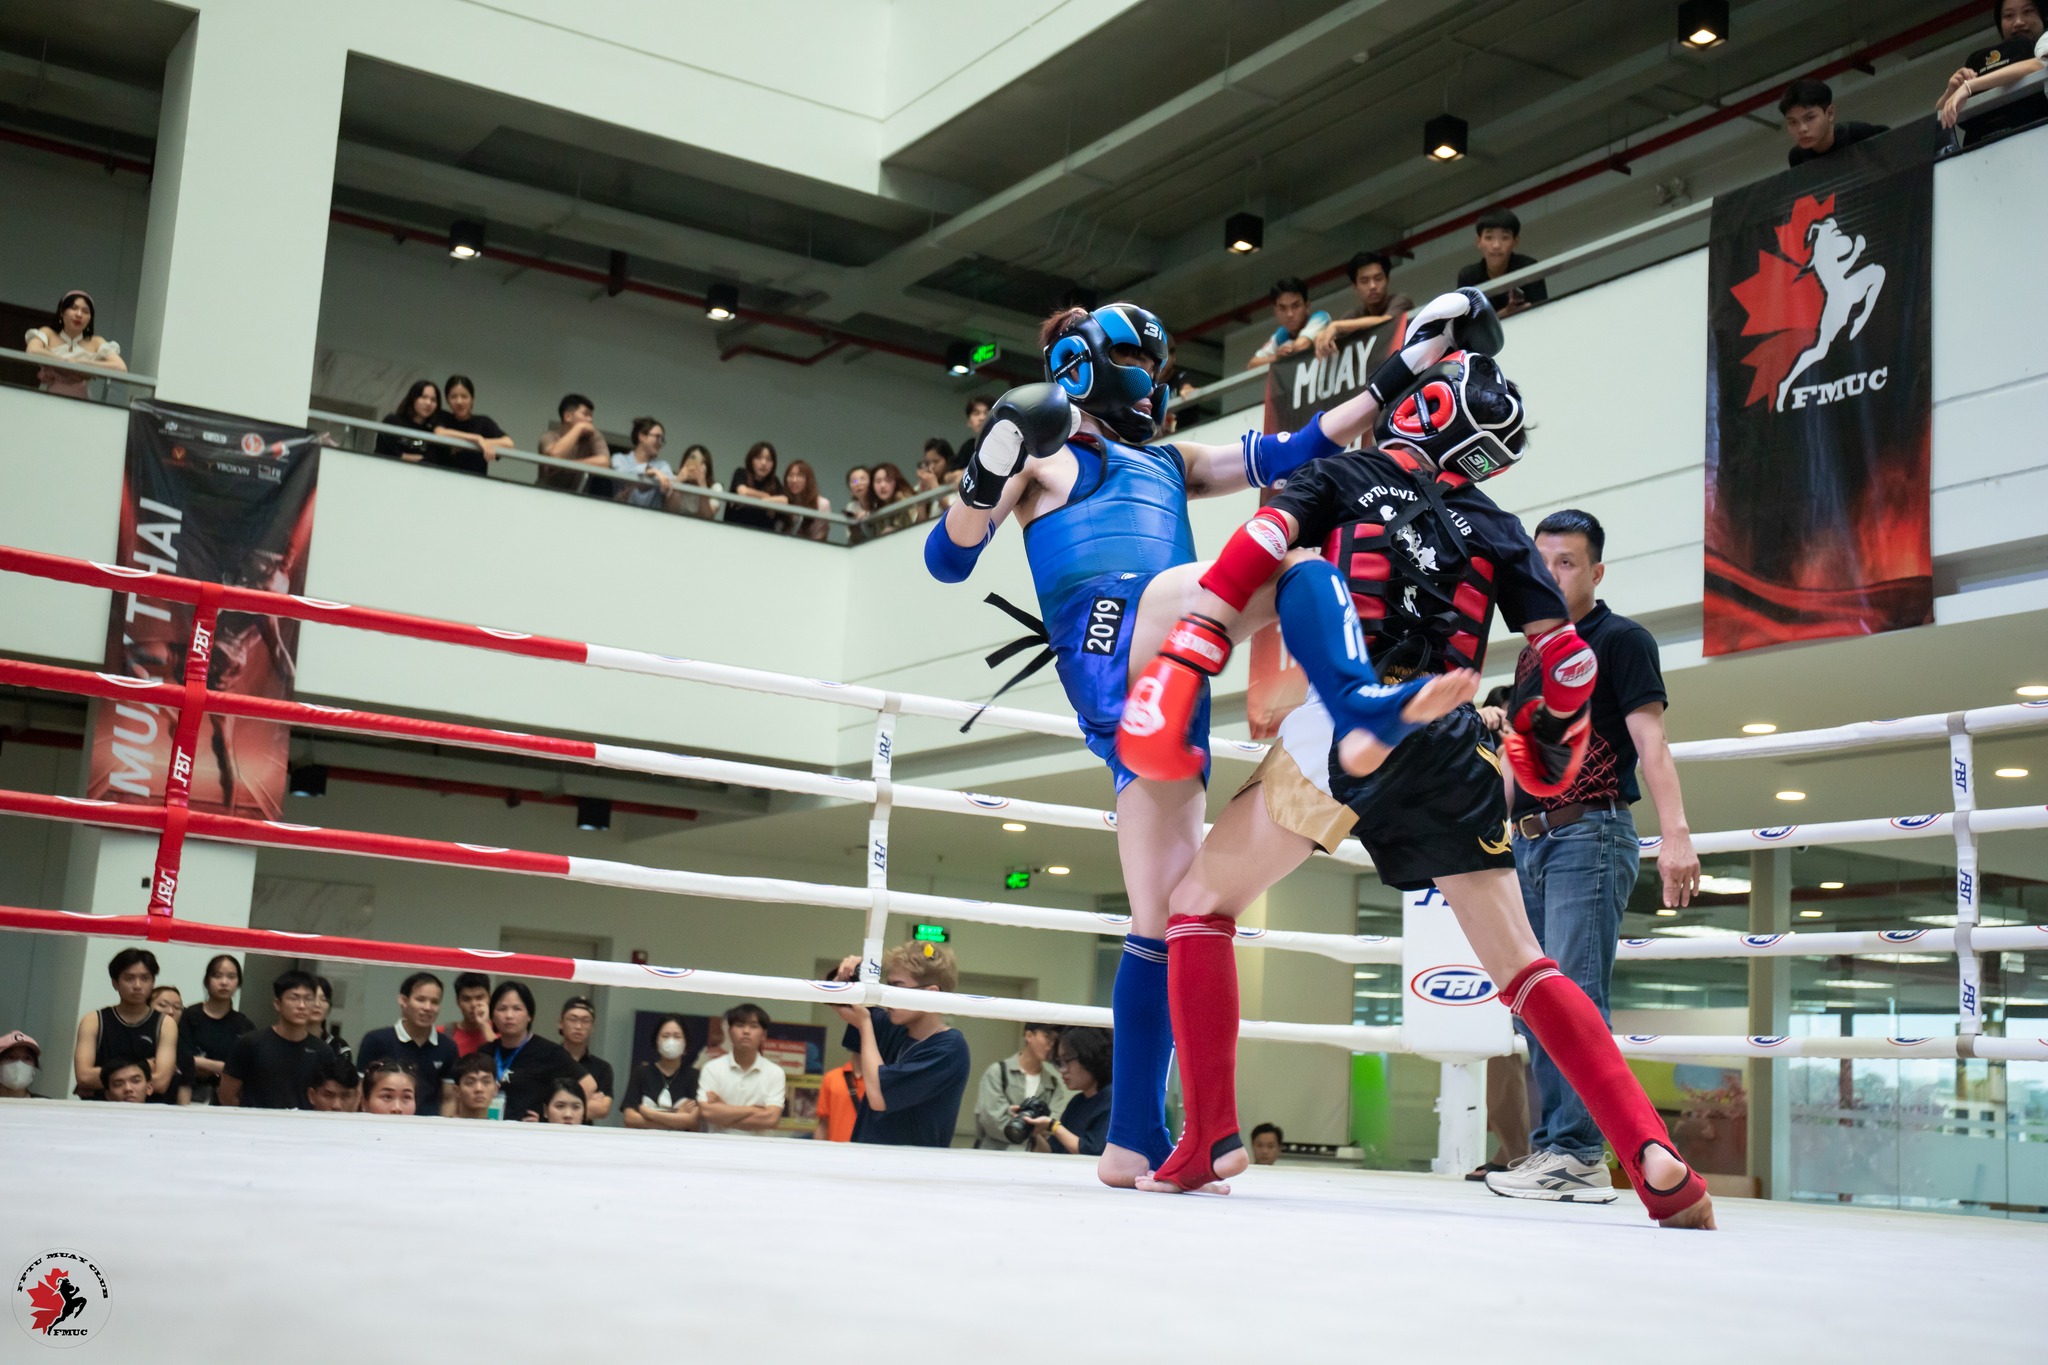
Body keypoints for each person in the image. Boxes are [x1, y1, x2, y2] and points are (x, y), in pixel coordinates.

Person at [1115, 330, 1714, 1229]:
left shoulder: (1344, 475)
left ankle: (1208, 1137)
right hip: (1456, 736)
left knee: (1198, 904)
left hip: (1348, 723)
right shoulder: (1498, 525)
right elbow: (1561, 654)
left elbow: (1256, 545)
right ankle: (1651, 1149)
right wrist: (1543, 734)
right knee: (1525, 967)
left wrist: (1192, 648)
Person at [923, 294, 1477, 1185]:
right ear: (1087, 368)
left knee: (1164, 916)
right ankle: (1358, 704)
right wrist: (986, 471)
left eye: (1159, 369)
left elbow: (1303, 446)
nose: (1154, 384)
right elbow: (948, 558)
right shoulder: (1044, 453)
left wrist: (1412, 361)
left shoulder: (1169, 460)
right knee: (1289, 563)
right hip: (1112, 630)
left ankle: (1131, 1138)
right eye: (1141, 366)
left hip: (1169, 680)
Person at [1486, 509, 1700, 1204]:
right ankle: (1556, 1147)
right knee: (1537, 1001)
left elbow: (1652, 744)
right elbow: (1520, 759)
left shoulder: (1622, 640)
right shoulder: (1532, 655)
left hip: (1591, 833)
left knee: (1575, 993)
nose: (1551, 575)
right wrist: (1485, 831)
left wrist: (1676, 835)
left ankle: (1577, 1152)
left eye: (1567, 562)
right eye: (1542, 562)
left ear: (1596, 571)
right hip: (1531, 841)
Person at [827, 941, 972, 1148]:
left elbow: (878, 1097)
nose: (888, 997)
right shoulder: (895, 1025)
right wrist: (848, 974)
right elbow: (841, 1002)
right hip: (866, 1157)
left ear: (931, 994)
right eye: (887, 987)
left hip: (911, 1165)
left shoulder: (950, 1049)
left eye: (897, 987)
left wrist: (865, 1025)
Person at [220, 971, 337, 1110]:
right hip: (257, 1122)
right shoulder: (250, 1043)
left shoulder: (323, 1051)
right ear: (277, 1003)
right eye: (294, 998)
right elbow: (227, 1095)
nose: (302, 1005)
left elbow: (328, 1097)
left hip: (304, 1122)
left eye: (308, 999)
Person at [73, 948, 178, 1101]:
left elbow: (161, 1082)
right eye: (129, 978)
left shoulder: (165, 1024)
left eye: (145, 978)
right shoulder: (93, 1020)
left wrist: (104, 1079)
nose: (137, 985)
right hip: (99, 1108)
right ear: (115, 983)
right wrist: (147, 1066)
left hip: (148, 1110)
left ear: (153, 982)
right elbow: (83, 1077)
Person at [485, 982, 596, 1122]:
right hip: (489, 1128)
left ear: (529, 1015)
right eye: (502, 1009)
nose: (509, 1015)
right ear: (492, 1016)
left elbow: (589, 1086)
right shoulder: (486, 1052)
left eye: (517, 1008)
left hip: (530, 1131)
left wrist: (547, 1118)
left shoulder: (549, 1052)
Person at [356, 972, 458, 1116]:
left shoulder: (448, 1047)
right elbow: (360, 1091)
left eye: (435, 1002)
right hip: (382, 1122)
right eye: (420, 999)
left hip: (428, 1126)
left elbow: (449, 1098)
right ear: (403, 1000)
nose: (428, 1007)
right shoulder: (376, 1040)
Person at [1939, 1, 2047, 135]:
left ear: (2043, 16)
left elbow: (2039, 63)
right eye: (2009, 16)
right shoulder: (1977, 60)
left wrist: (1969, 86)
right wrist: (1952, 91)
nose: (2018, 22)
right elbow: (1937, 121)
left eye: (2027, 12)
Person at [973, 1022, 1071, 1151]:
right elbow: (991, 1120)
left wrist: (1016, 1120)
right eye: (1047, 1037)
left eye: (1055, 1040)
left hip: (1031, 1158)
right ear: (1029, 1036)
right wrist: (1034, 1128)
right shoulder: (999, 1072)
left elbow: (1051, 1126)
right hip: (995, 1154)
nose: (1051, 1044)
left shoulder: (1053, 1084)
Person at [696, 1003, 786, 1135]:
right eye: (740, 1025)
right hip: (718, 1145)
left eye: (753, 1026)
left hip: (759, 1147)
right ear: (730, 1032)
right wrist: (754, 1110)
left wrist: (723, 1111)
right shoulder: (712, 1068)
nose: (746, 1031)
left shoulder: (775, 1072)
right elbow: (706, 1113)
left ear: (763, 1035)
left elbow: (771, 1119)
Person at [23, 289, 125, 399]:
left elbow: (120, 367)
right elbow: (32, 350)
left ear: (90, 318)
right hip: (46, 396)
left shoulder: (96, 341)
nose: (79, 314)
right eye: (74, 308)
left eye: (85, 311)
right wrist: (64, 361)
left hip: (80, 399)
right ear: (62, 312)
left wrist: (79, 362)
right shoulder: (48, 333)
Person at [1314, 252, 1417, 359]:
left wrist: (1336, 326)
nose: (1372, 286)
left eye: (1378, 278)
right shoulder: (1353, 315)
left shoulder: (1401, 300)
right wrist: (1322, 336)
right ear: (1355, 287)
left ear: (1387, 280)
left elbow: (1387, 321)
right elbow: (1333, 334)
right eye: (1364, 281)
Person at [181, 954, 253, 1106]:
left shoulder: (244, 1025)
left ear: (238, 982)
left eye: (231, 977)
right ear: (207, 981)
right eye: (217, 976)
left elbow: (245, 1070)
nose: (224, 982)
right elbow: (182, 1059)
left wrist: (201, 1063)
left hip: (227, 1098)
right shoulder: (189, 1016)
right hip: (188, 1094)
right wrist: (221, 1067)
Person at [1027, 1027, 1111, 1157]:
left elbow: (1091, 1151)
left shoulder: (1111, 1099)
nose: (1062, 1070)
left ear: (1089, 1057)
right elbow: (1052, 1152)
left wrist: (1053, 1126)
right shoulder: (1077, 1102)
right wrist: (1032, 1128)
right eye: (1059, 1062)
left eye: (1067, 1061)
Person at [1779, 79, 1888, 169]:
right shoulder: (1797, 157)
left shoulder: (1857, 134)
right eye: (1793, 122)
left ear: (1830, 113)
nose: (1802, 129)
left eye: (1810, 118)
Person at [1456, 210, 1547, 317]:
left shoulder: (1529, 268)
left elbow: (1542, 313)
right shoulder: (1468, 277)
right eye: (1489, 237)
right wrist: (1503, 315)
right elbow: (1465, 323)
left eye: (1505, 238)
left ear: (1515, 241)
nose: (1496, 245)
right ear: (1478, 241)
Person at [621, 1014, 701, 1132]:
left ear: (685, 1043)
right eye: (665, 1036)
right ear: (656, 1041)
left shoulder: (694, 1076)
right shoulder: (642, 1072)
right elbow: (630, 1118)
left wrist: (649, 1113)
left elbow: (693, 1122)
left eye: (677, 1036)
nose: (671, 1041)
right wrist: (677, 1117)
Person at [431, 374, 512, 474]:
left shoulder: (483, 422)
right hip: (442, 478)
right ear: (447, 400)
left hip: (475, 480)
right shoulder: (443, 417)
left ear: (472, 399)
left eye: (464, 396)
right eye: (453, 397)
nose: (459, 402)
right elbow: (440, 433)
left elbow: (508, 443)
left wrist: (481, 442)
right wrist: (477, 439)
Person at [1247, 277, 1331, 370]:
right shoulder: (1282, 333)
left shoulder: (1320, 317)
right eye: (1282, 308)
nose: (1289, 314)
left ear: (1307, 307)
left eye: (1295, 306)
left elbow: (1300, 346)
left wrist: (1284, 353)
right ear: (1275, 312)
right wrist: (1276, 357)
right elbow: (1252, 364)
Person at [537, 393, 614, 492]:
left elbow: (604, 463)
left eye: (591, 416)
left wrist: (566, 465)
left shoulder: (592, 436)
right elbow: (554, 458)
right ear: (568, 416)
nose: (590, 419)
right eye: (585, 414)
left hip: (577, 498)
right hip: (545, 494)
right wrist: (579, 428)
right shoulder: (549, 437)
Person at [555, 996, 614, 1122]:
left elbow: (602, 1109)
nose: (578, 1026)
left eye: (585, 1021)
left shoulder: (602, 1067)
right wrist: (586, 1100)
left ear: (593, 1027)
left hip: (584, 1132)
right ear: (561, 1023)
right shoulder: (547, 1058)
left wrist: (557, 1105)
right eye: (572, 1019)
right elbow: (539, 1102)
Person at [612, 417, 687, 514]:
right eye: (657, 437)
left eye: (662, 439)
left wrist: (678, 479)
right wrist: (651, 471)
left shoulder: (662, 466)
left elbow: (668, 484)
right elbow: (623, 475)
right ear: (642, 436)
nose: (660, 443)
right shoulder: (619, 459)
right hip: (620, 514)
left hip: (651, 518)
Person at [375, 380, 446, 463]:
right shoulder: (393, 421)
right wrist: (403, 456)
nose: (428, 403)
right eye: (423, 397)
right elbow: (384, 450)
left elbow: (431, 458)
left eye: (433, 400)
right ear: (413, 398)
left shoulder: (432, 431)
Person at [149, 985, 195, 1105]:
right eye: (162, 1005)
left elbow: (184, 1101)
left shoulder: (184, 1051)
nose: (170, 1012)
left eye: (177, 1007)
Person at [724, 440, 785, 531]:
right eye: (759, 458)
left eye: (769, 459)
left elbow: (784, 500)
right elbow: (743, 492)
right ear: (751, 460)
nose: (763, 463)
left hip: (763, 534)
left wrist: (759, 500)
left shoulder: (774, 482)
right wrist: (767, 497)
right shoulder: (741, 473)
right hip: (734, 530)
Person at [814, 1044, 863, 1143]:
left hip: (870, 1150)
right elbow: (823, 1124)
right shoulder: (831, 1078)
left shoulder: (881, 1081)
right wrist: (816, 1150)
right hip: (836, 1149)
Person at [779, 460, 834, 540]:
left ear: (808, 479)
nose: (794, 480)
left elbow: (820, 537)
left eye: (799, 476)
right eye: (790, 475)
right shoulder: (782, 500)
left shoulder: (822, 504)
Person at [865, 461, 919, 536]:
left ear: (896, 482)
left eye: (888, 480)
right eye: (878, 481)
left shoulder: (905, 500)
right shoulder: (877, 508)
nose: (883, 485)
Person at [308, 975, 352, 1064]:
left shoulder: (338, 1046)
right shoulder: (288, 1042)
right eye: (311, 998)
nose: (317, 1004)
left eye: (323, 999)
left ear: (329, 1009)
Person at [448, 973, 494, 1056]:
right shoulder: (443, 1033)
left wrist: (484, 1025)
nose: (473, 1004)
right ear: (458, 1001)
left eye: (479, 998)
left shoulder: (504, 1033)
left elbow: (502, 1060)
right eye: (466, 999)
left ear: (490, 998)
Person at [675, 443, 724, 521]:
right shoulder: (674, 480)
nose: (696, 466)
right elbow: (669, 509)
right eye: (692, 459)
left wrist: (702, 484)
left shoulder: (715, 488)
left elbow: (707, 517)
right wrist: (678, 482)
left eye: (702, 462)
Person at [446, 1050, 501, 1119]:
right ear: (457, 1091)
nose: (479, 1089)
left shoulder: (501, 1126)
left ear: (496, 1089)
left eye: (486, 1082)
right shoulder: (443, 1125)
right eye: (470, 1083)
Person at [0, 1030, 44, 1098]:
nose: (19, 1064)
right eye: (11, 1057)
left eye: (27, 1058)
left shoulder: (46, 1103)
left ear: (34, 1068)